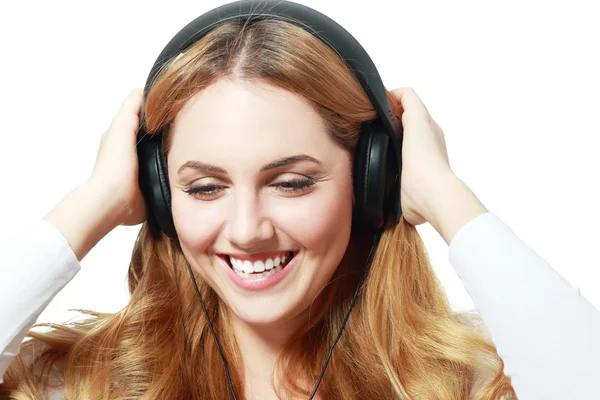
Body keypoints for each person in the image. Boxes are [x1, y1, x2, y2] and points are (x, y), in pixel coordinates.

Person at [1, 14, 599, 400]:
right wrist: (93, 202)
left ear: (372, 183)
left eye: (291, 183)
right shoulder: (78, 385)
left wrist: (444, 196)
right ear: (159, 195)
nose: (246, 229)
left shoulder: (470, 382)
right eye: (205, 188)